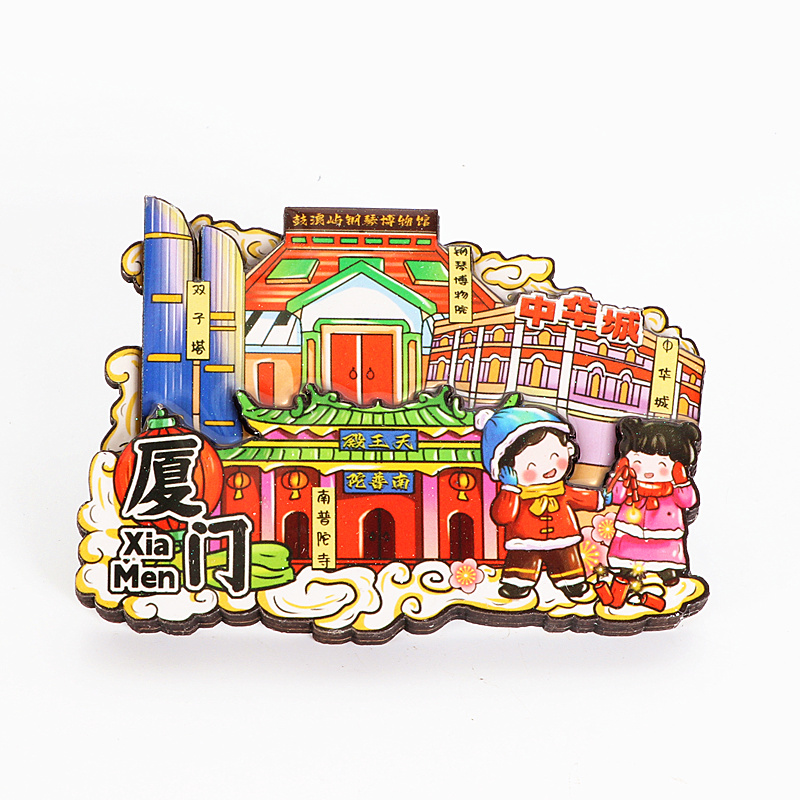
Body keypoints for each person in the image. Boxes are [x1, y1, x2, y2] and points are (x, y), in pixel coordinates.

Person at [477, 406, 607, 601]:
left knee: (566, 558)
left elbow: (581, 497)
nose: (548, 467)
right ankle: (517, 582)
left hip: (563, 535)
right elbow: (502, 516)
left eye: (555, 457)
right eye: (532, 465)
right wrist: (510, 489)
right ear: (506, 468)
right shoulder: (516, 495)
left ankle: (572, 581)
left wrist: (602, 498)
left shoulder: (561, 491)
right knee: (523, 559)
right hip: (524, 537)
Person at [605, 417, 700, 586]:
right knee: (629, 544)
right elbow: (615, 497)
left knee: (665, 547)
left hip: (665, 523)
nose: (649, 471)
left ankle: (667, 568)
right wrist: (619, 475)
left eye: (662, 464)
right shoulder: (630, 483)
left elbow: (688, 501)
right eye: (638, 462)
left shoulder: (673, 487)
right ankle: (626, 566)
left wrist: (681, 481)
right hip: (632, 518)